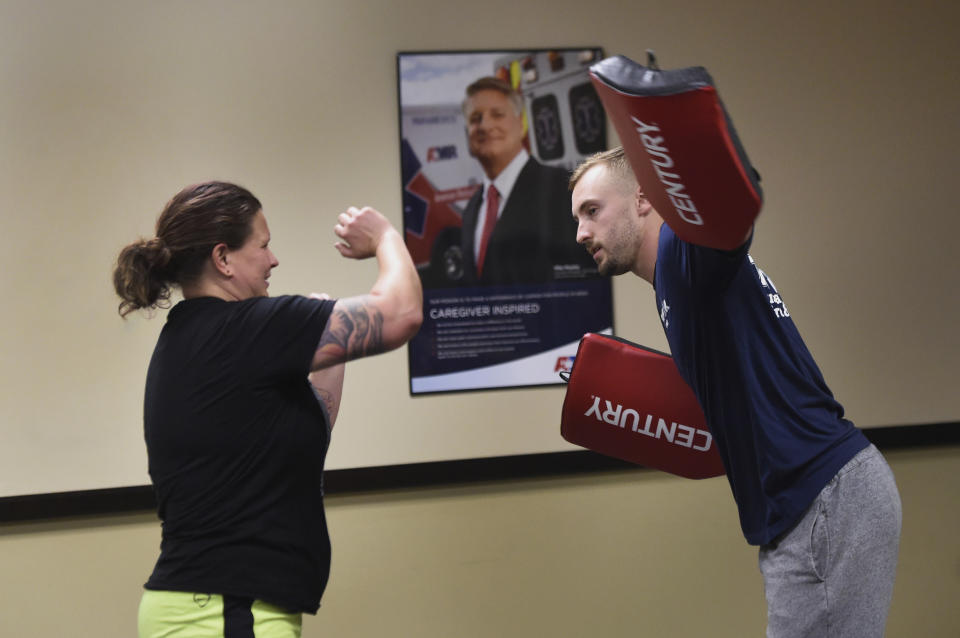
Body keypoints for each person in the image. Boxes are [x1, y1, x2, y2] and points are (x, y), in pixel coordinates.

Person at [569, 147, 901, 637]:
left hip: (823, 499)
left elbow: (730, 214)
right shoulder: (674, 286)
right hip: (802, 509)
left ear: (643, 198)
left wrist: (677, 128)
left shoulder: (683, 253)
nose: (580, 233)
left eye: (591, 211)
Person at [113, 181, 422, 637]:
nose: (273, 259)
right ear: (223, 258)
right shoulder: (245, 328)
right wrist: (386, 238)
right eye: (264, 245)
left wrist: (327, 350)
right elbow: (400, 314)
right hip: (223, 610)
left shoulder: (194, 337)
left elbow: (301, 430)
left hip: (220, 607)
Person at [456, 76, 595, 286]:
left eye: (497, 114)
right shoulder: (471, 211)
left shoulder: (565, 189)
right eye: (475, 118)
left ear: (521, 123)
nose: (485, 125)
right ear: (468, 133)